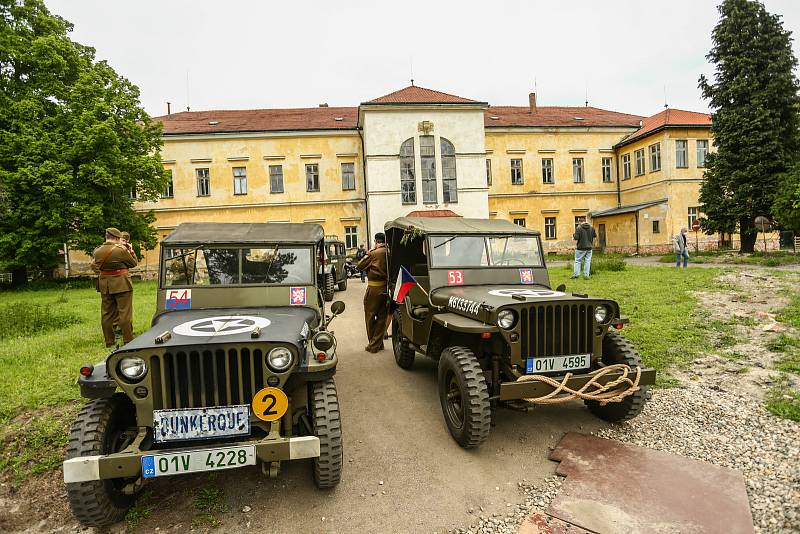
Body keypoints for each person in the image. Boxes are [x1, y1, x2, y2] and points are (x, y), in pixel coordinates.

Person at [91, 227, 138, 347]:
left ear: (107, 237)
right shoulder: (120, 250)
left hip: (105, 285)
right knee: (125, 313)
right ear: (117, 238)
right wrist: (131, 251)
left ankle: (109, 342)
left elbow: (95, 266)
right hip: (122, 284)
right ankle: (128, 340)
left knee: (106, 314)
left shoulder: (97, 251)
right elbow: (133, 263)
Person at [357, 233, 389, 353]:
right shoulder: (389, 252)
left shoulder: (374, 253)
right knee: (382, 317)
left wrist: (367, 253)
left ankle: (373, 345)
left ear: (376, 241)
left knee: (370, 315)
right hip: (386, 287)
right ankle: (378, 343)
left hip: (374, 288)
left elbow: (360, 266)